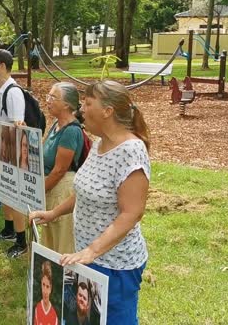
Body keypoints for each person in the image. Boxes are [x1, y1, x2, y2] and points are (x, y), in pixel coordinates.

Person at [30, 80, 150, 324]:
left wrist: (92, 251)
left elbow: (132, 214)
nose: (81, 109)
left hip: (115, 265)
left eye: (87, 103)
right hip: (87, 257)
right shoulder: (98, 144)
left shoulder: (131, 151)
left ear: (108, 111)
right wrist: (54, 213)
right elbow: (85, 192)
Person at [0, 49, 28, 259]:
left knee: (14, 196)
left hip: (10, 152)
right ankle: (9, 229)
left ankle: (22, 241)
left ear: (2, 65)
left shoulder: (13, 92)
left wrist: (8, 158)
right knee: (4, 193)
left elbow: (16, 127)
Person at [41, 82, 84, 254]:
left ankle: (65, 279)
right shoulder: (55, 125)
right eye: (48, 96)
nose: (48, 101)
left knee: (63, 241)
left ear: (66, 104)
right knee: (50, 239)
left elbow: (59, 170)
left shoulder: (71, 131)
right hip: (51, 187)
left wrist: (40, 190)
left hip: (62, 190)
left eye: (53, 97)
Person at [34, 260, 59, 325]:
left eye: (47, 286)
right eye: (43, 285)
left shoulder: (54, 315)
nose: (45, 291)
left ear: (51, 288)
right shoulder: (37, 308)